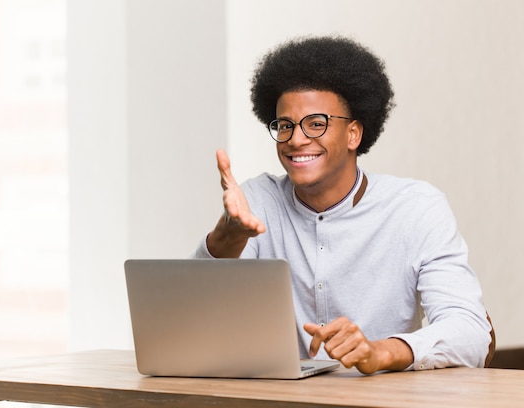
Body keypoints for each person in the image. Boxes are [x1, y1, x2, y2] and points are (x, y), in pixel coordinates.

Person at [193, 35, 495, 374]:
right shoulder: (257, 202)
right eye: (285, 125)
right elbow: (194, 322)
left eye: (317, 123)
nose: (296, 139)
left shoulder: (416, 209)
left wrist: (380, 352)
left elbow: (471, 332)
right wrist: (227, 237)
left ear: (353, 134)